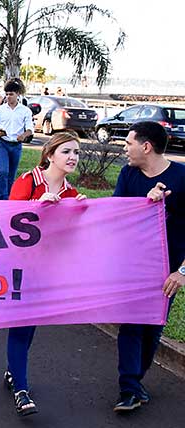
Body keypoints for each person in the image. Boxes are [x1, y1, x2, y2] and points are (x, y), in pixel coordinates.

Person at [1, 132, 87, 417]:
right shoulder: (28, 180)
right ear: (50, 155)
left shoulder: (72, 194)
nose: (73, 157)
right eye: (66, 151)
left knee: (31, 324)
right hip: (20, 266)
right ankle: (21, 390)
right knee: (22, 323)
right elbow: (7, 220)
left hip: (48, 269)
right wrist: (37, 208)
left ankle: (14, 371)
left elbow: (69, 237)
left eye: (76, 152)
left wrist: (80, 214)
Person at [111, 121, 185, 413]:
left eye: (128, 143)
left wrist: (181, 273)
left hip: (168, 270)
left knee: (152, 327)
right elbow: (115, 216)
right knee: (130, 324)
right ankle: (128, 388)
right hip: (132, 265)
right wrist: (147, 203)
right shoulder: (128, 174)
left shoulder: (182, 176)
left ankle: (135, 381)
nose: (125, 149)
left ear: (146, 146)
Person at [0, 80, 34, 200]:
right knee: (3, 171)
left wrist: (24, 135)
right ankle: (2, 197)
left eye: (11, 94)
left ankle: (10, 197)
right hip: (2, 143)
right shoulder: (0, 110)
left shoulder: (25, 111)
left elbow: (30, 129)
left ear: (18, 94)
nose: (8, 97)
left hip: (16, 145)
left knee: (11, 174)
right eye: (7, 94)